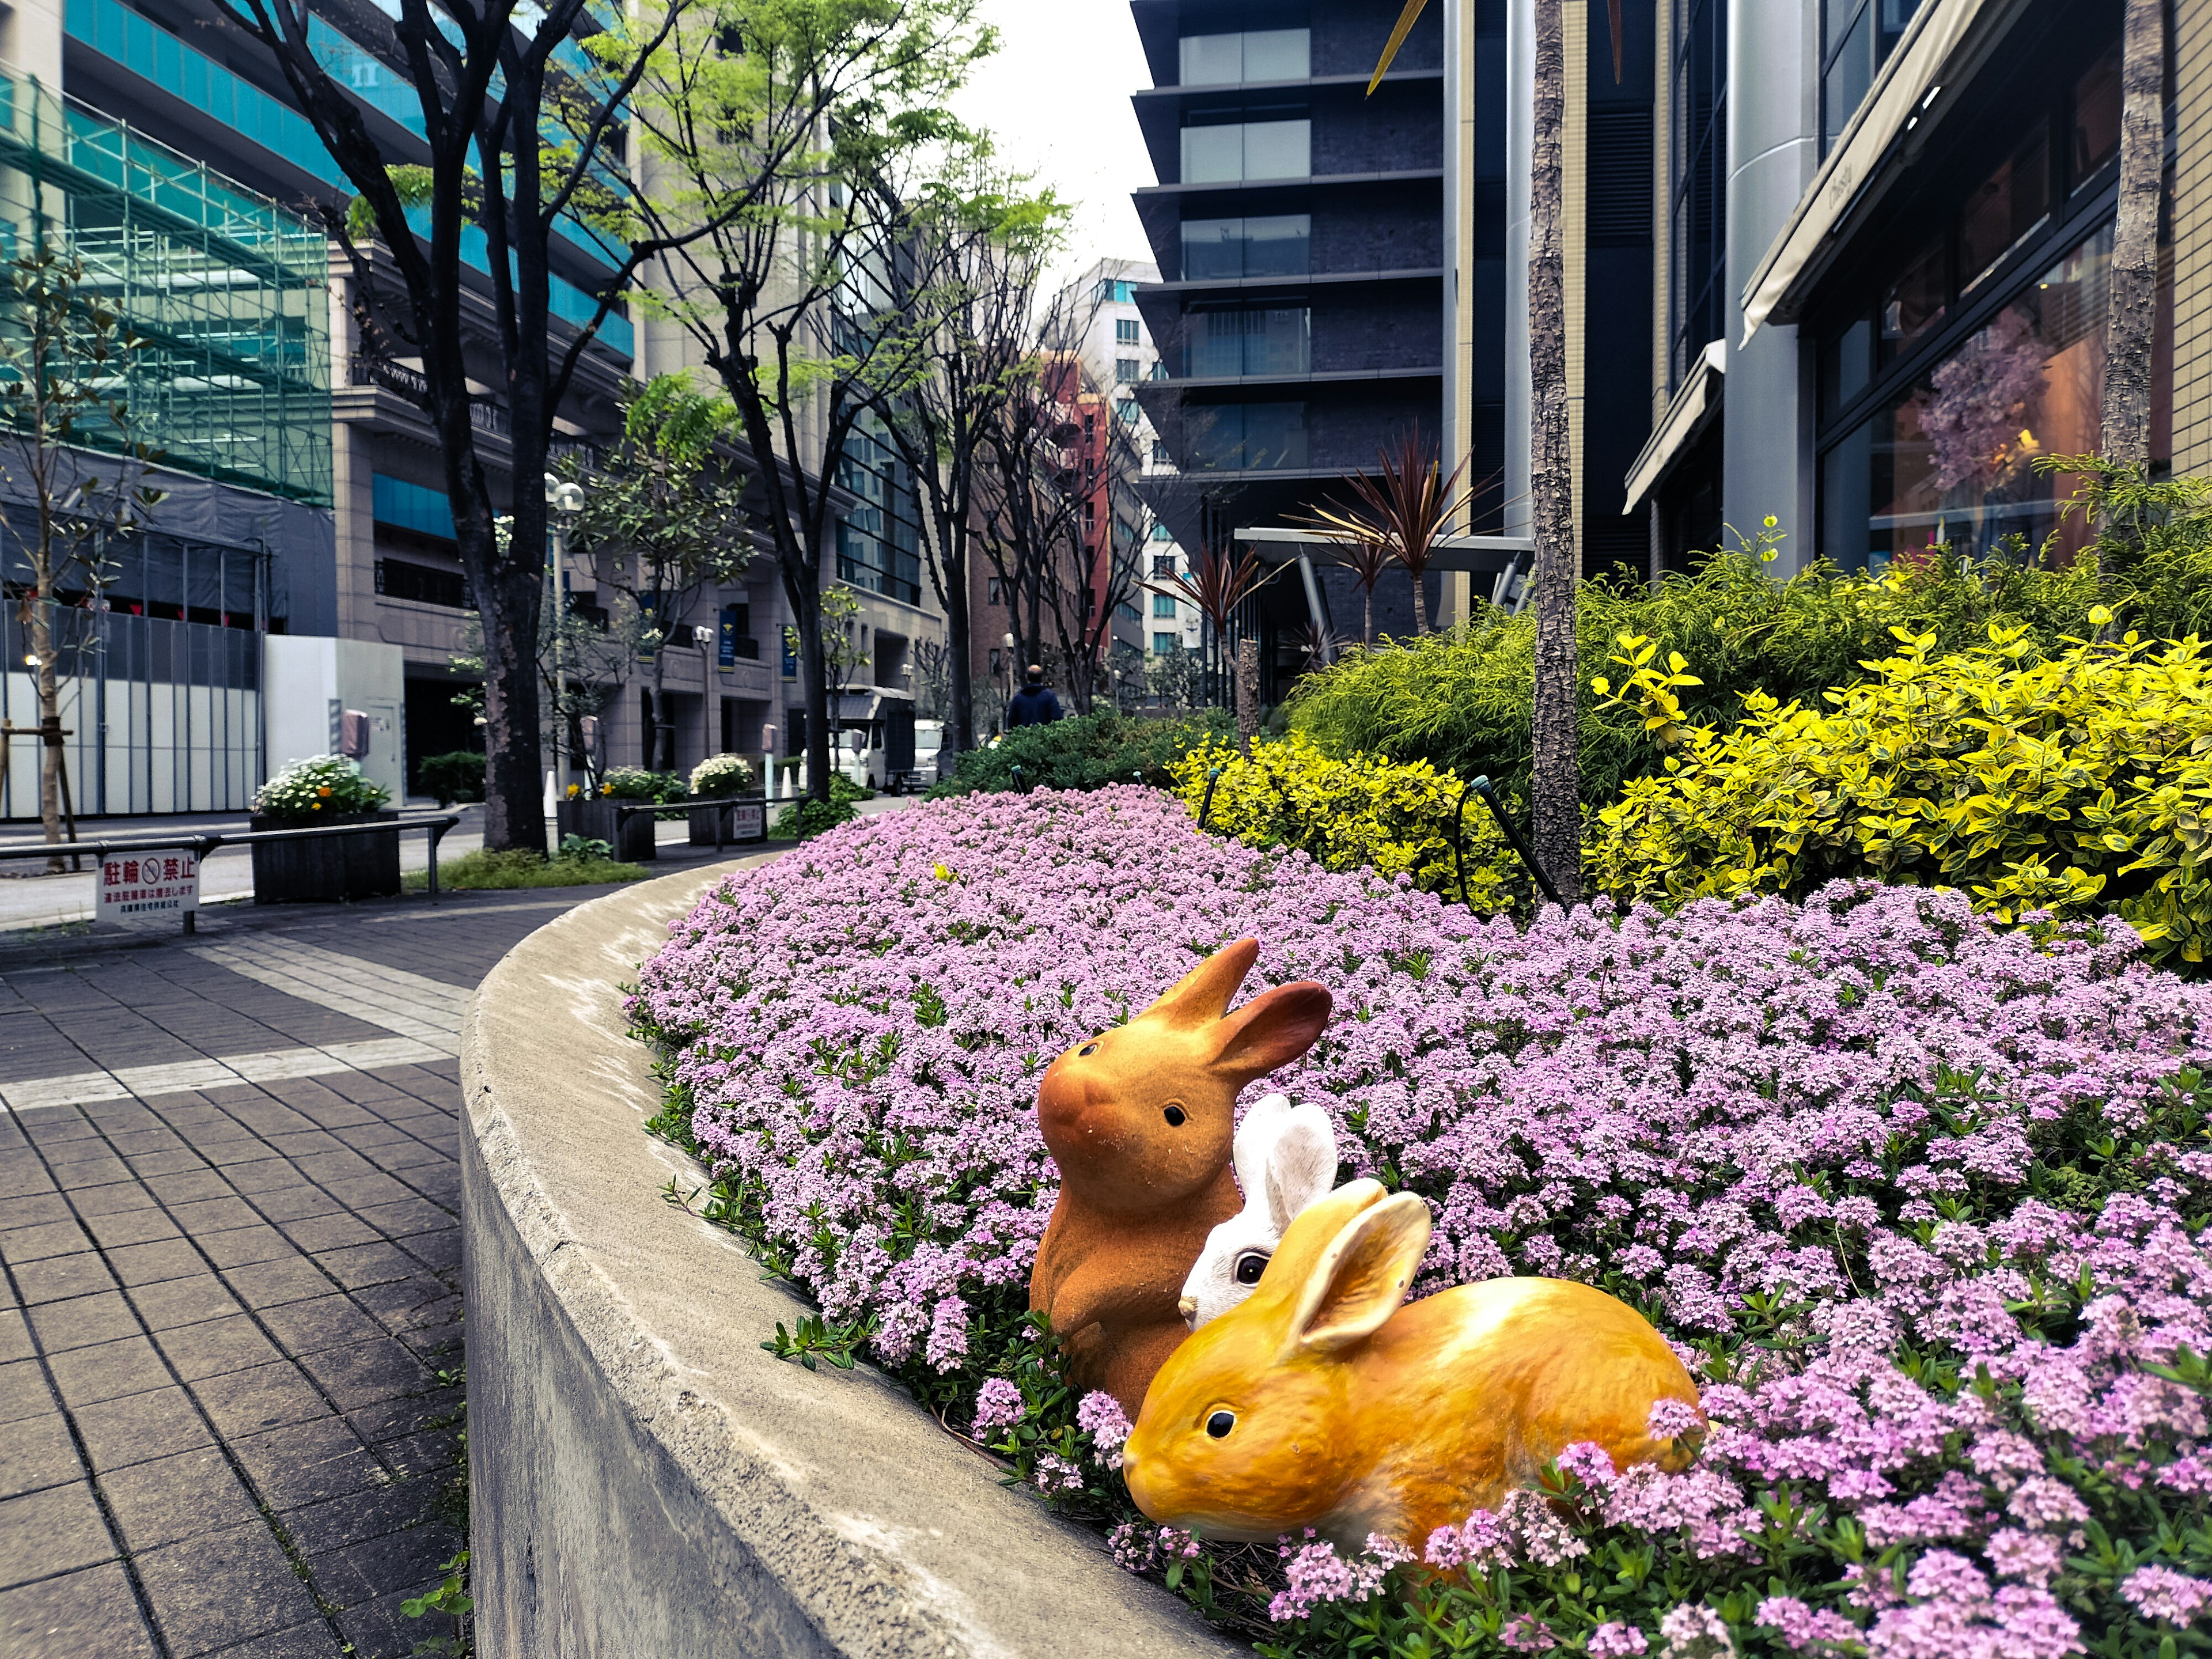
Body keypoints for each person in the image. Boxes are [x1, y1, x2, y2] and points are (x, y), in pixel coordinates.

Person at [1005, 664, 1063, 729]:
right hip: (1045, 736)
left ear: (1027, 678)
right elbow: (1058, 719)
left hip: (1024, 737)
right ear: (1042, 678)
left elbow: (1012, 724)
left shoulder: (1018, 698)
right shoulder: (1050, 697)